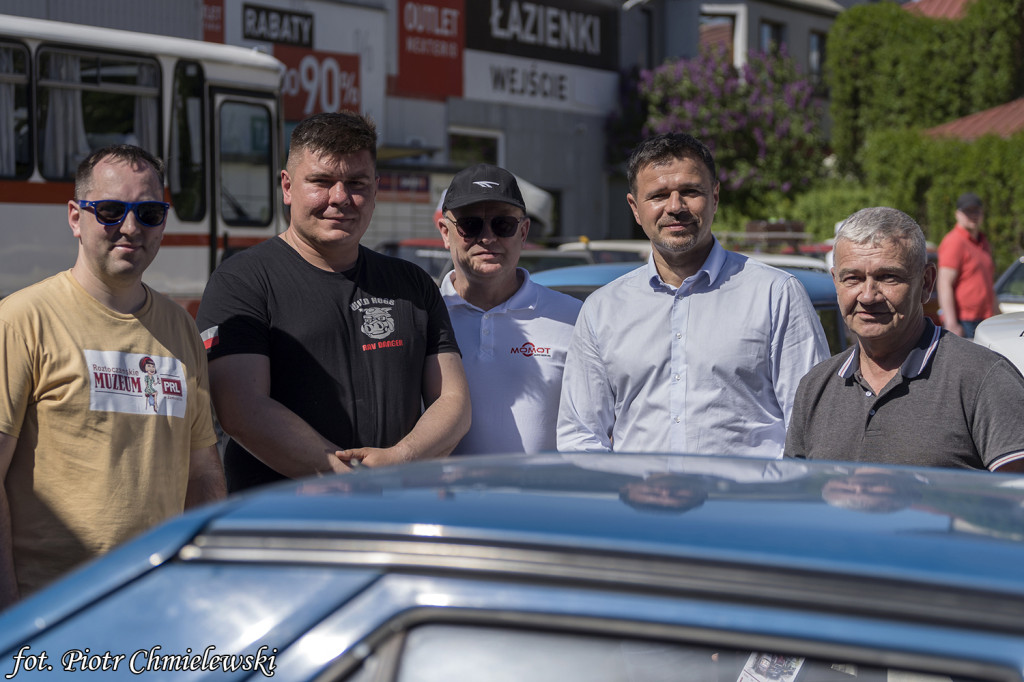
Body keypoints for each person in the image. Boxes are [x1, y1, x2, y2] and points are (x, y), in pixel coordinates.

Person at [196, 112, 470, 492]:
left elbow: (454, 402)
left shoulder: (412, 285)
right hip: (283, 529)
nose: (340, 198)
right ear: (288, 187)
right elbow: (241, 409)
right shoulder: (241, 282)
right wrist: (349, 478)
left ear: (375, 188)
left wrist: (401, 459)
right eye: (322, 182)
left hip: (398, 514)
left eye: (356, 183)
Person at [0, 145, 226, 607]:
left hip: (158, 603)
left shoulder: (180, 327)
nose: (130, 228)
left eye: (148, 212)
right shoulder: (22, 320)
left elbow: (202, 473)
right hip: (52, 611)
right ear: (74, 218)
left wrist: (203, 585)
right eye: (109, 210)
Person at [557, 132, 829, 456]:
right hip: (637, 504)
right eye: (658, 195)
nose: (675, 207)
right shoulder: (602, 309)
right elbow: (581, 436)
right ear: (634, 207)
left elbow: (812, 424)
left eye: (689, 191)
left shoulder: (776, 295)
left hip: (743, 504)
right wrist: (619, 497)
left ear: (715, 196)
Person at [784, 207, 1024, 471]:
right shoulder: (815, 387)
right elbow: (796, 499)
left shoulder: (983, 380)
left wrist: (917, 502)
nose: (867, 296)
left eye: (888, 277)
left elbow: (1015, 503)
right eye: (852, 278)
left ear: (926, 283)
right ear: (835, 282)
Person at [436, 164, 581, 454]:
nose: (488, 238)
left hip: (540, 498)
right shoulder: (423, 316)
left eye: (503, 224)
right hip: (448, 498)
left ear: (523, 231)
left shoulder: (573, 317)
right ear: (445, 232)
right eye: (470, 225)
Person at [936, 192, 999, 338]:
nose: (973, 215)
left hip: (985, 318)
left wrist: (997, 312)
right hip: (964, 320)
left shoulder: (983, 242)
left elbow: (988, 284)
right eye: (967, 211)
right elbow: (944, 283)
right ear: (957, 214)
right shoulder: (954, 241)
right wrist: (951, 323)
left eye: (976, 210)